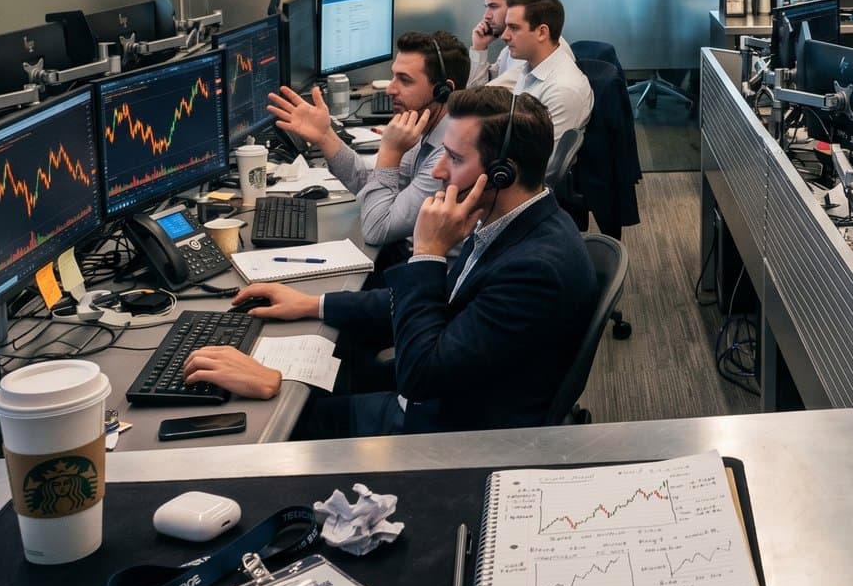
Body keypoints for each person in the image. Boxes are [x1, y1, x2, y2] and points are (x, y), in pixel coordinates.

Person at [182, 88, 597, 436]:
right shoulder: (511, 223)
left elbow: (421, 374)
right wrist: (313, 304)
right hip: (449, 393)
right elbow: (445, 302)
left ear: (503, 174)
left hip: (445, 431)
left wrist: (427, 253)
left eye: (454, 158)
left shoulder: (535, 268)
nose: (437, 170)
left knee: (250, 423)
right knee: (332, 367)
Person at [267, 30, 468, 248]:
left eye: (404, 80)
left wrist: (390, 153)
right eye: (393, 77)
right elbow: (372, 185)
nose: (390, 89)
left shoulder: (451, 157)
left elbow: (377, 228)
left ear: (444, 91)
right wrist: (325, 137)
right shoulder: (425, 128)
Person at [495, 0, 593, 151]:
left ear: (541, 33)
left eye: (513, 27)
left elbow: (544, 166)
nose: (504, 36)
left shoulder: (563, 90)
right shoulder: (530, 69)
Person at [466, 0, 532, 87]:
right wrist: (479, 48)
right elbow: (477, 89)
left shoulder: (531, 49)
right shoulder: (507, 51)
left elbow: (479, 97)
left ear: (517, 6)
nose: (486, 16)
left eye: (493, 7)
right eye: (486, 7)